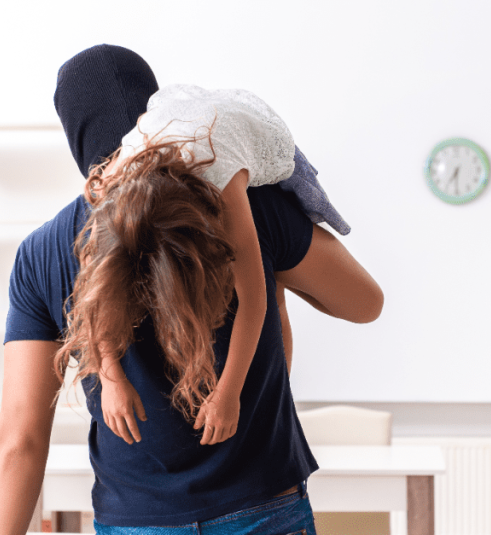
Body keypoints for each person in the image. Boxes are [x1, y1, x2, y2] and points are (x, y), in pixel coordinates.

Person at [0, 44, 383, 535]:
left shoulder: (45, 251)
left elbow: (19, 440)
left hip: (137, 518)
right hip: (262, 506)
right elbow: (364, 303)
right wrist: (277, 278)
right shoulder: (247, 203)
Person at [92, 82, 348, 446]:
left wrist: (228, 394)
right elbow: (98, 296)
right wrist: (111, 378)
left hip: (253, 132)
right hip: (174, 118)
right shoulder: (110, 189)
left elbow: (253, 301)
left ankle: (275, 273)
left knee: (274, 293)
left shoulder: (225, 186)